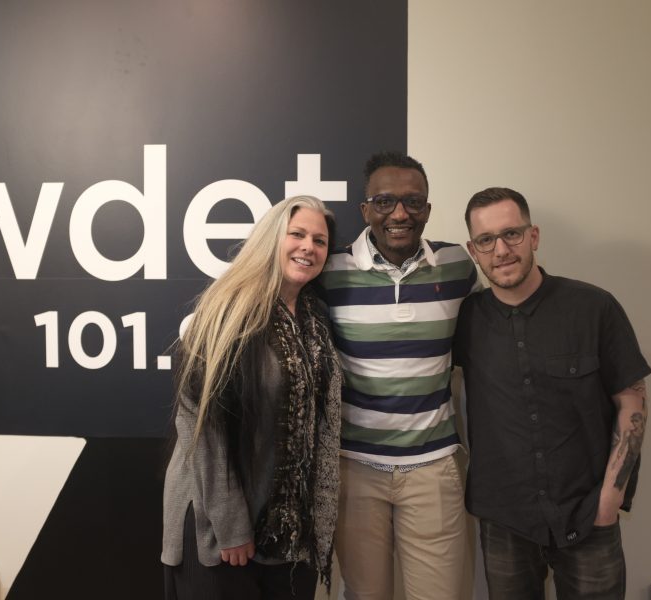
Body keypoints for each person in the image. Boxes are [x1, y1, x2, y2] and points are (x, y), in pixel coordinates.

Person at [454, 187, 651, 600]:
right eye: (487, 240)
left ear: (534, 236)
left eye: (512, 234)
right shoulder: (465, 319)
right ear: (473, 250)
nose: (502, 250)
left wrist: (609, 500)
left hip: (587, 510)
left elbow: (632, 401)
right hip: (503, 517)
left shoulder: (593, 307)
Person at [161, 195, 343, 600]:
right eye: (297, 234)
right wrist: (231, 525)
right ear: (270, 238)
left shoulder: (315, 318)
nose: (308, 247)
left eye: (320, 240)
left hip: (289, 534)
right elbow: (200, 424)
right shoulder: (228, 310)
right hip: (218, 528)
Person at [317, 152, 480, 599]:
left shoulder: (458, 267)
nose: (401, 214)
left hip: (433, 470)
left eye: (414, 202)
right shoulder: (329, 271)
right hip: (356, 469)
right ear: (365, 209)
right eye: (385, 201)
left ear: (428, 209)